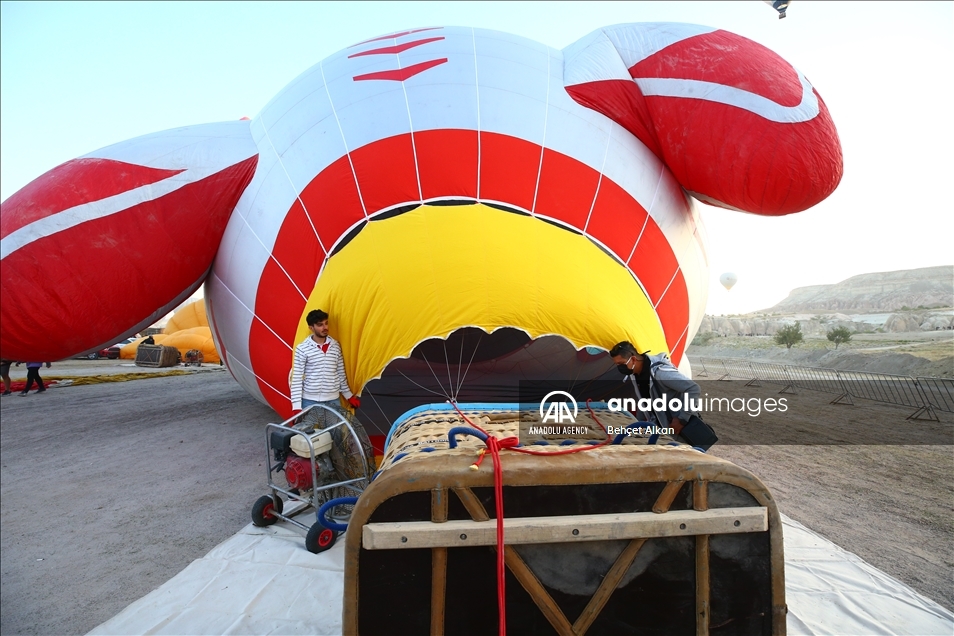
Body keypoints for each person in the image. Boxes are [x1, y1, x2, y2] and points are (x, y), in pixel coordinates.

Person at [609, 341, 717, 449]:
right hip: (663, 431)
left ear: (633, 359)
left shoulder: (660, 373)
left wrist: (682, 419)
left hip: (679, 430)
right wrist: (636, 425)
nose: (620, 368)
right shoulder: (635, 375)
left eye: (621, 364)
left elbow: (693, 388)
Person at [290, 309, 360, 431]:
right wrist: (296, 406)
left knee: (336, 435)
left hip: (333, 400)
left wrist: (348, 396)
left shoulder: (335, 346)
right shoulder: (302, 349)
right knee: (310, 436)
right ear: (311, 327)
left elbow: (340, 373)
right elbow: (296, 379)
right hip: (309, 401)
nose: (325, 327)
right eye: (320, 324)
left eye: (326, 323)